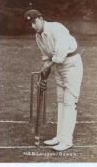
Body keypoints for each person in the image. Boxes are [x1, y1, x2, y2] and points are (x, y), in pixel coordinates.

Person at [24, 9, 83, 151]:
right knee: (61, 102)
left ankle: (67, 141)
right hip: (58, 67)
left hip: (71, 64)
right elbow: (46, 58)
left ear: (41, 18)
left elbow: (59, 56)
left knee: (69, 102)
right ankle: (60, 137)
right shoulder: (38, 36)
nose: (33, 26)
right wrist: (43, 76)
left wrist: (46, 68)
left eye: (34, 22)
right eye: (30, 24)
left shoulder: (57, 29)